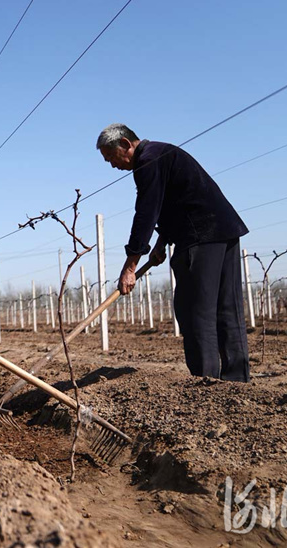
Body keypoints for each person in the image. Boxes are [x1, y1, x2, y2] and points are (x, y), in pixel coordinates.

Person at [96, 123, 250, 382]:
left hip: (200, 238)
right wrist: (160, 244)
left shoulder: (148, 161)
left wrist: (130, 266)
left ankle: (206, 382)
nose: (112, 165)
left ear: (125, 144)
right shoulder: (161, 153)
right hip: (224, 231)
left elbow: (146, 213)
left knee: (194, 312)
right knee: (227, 309)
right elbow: (174, 203)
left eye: (111, 157)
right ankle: (236, 382)